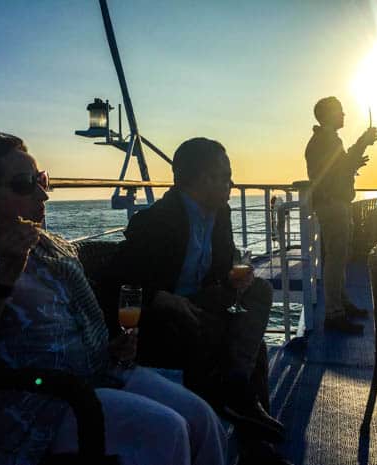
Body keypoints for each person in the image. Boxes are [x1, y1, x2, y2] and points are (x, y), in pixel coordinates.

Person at [0, 131, 227, 465]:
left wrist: (107, 346)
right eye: (25, 184)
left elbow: (72, 324)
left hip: (95, 371)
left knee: (203, 419)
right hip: (38, 397)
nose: (43, 194)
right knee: (167, 430)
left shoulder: (52, 250)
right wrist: (7, 273)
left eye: (42, 179)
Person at [108, 137, 292, 465]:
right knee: (252, 348)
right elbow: (120, 282)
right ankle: (253, 439)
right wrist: (165, 299)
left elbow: (221, 272)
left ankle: (241, 404)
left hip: (201, 305)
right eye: (224, 176)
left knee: (258, 292)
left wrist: (237, 281)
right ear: (201, 179)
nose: (230, 184)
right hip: (163, 318)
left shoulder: (219, 214)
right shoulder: (155, 222)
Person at [305, 96, 377, 334]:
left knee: (342, 255)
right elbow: (338, 170)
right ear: (328, 115)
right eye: (340, 112)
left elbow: (337, 170)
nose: (344, 115)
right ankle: (334, 314)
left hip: (336, 203)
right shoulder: (325, 141)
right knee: (337, 258)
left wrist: (355, 159)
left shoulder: (326, 141)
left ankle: (342, 303)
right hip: (332, 205)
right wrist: (362, 143)